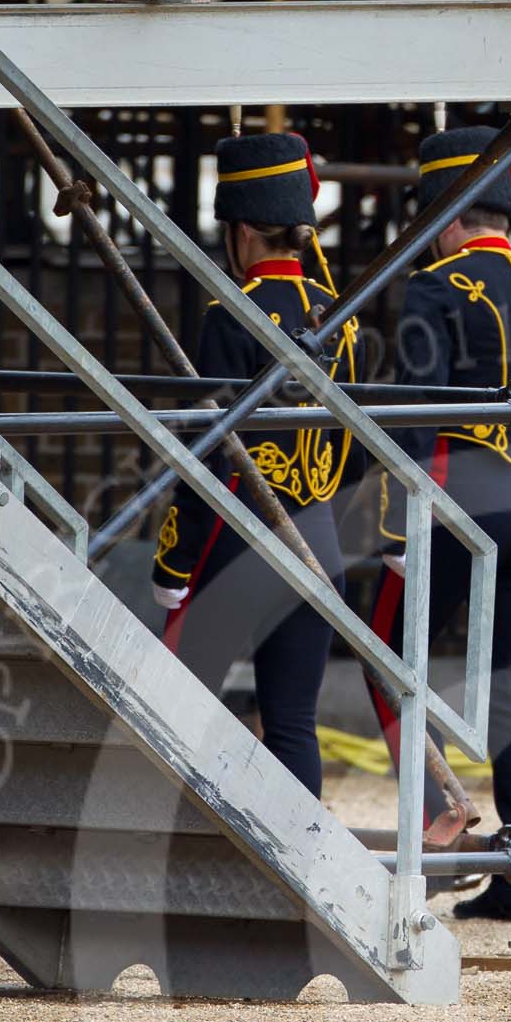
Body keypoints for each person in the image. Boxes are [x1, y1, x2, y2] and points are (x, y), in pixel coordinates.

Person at [365, 126, 511, 922]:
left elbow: (416, 415)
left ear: (446, 212)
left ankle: (443, 811)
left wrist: (396, 529)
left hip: (458, 497)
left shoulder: (436, 286)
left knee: (382, 656)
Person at [150, 130, 357, 799]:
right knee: (293, 724)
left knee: (179, 712)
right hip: (319, 538)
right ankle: (303, 880)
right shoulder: (338, 317)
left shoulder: (228, 314)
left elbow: (209, 448)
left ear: (240, 232)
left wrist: (173, 563)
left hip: (234, 541)